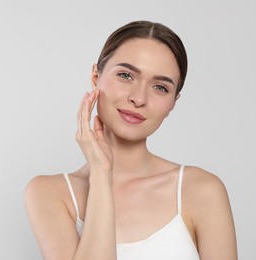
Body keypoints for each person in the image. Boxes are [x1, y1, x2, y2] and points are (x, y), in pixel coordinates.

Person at [24, 20, 237, 259]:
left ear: (174, 102)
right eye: (125, 75)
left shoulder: (202, 190)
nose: (138, 98)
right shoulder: (50, 193)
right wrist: (101, 173)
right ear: (95, 77)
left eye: (160, 87)